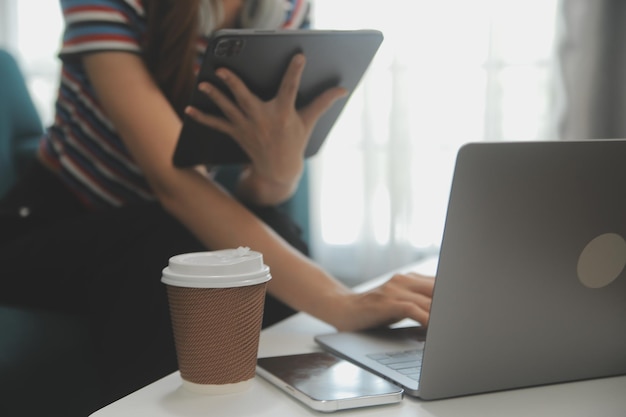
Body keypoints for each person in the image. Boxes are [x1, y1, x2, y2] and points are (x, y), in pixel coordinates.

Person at [0, 0, 434, 410]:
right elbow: (173, 185)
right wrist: (341, 301)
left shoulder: (285, 9)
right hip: (55, 219)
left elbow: (253, 197)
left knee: (274, 234)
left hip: (159, 223)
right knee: (168, 259)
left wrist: (279, 173)